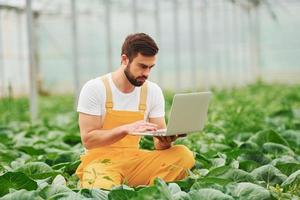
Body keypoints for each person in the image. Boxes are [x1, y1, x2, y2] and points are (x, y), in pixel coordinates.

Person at [75, 33, 195, 189]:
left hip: (135, 160)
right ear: (125, 60)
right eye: (142, 66)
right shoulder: (95, 88)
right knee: (101, 189)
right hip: (101, 163)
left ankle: (151, 192)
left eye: (150, 67)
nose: (146, 73)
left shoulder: (153, 91)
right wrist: (125, 129)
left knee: (183, 155)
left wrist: (166, 140)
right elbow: (89, 140)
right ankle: (146, 188)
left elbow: (159, 146)